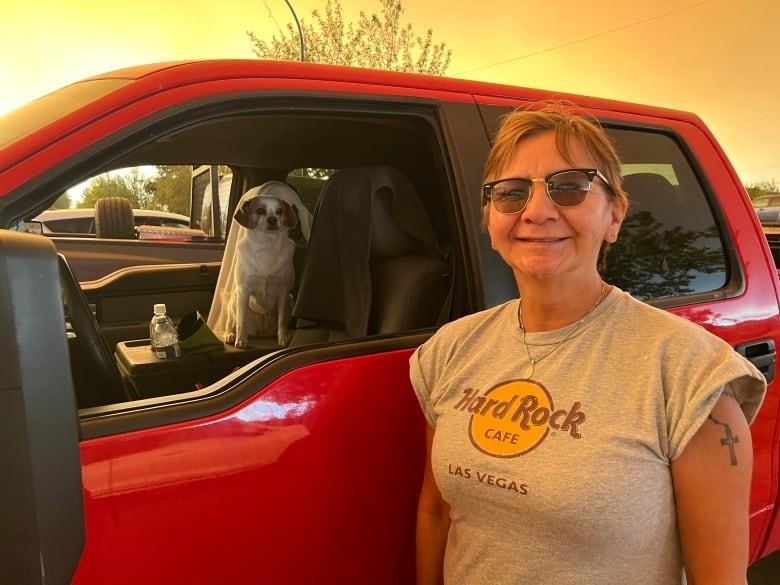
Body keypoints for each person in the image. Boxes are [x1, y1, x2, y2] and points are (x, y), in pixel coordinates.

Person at [409, 103, 766, 584]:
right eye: (511, 193)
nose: (536, 211)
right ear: (490, 218)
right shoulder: (451, 350)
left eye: (570, 186)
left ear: (614, 214)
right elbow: (437, 511)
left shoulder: (689, 375)